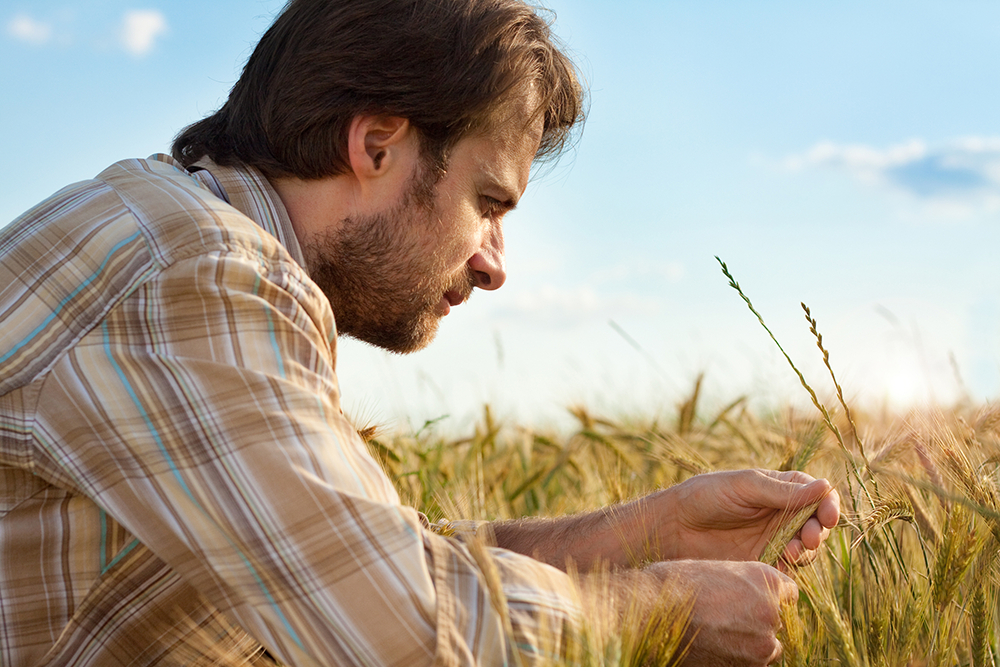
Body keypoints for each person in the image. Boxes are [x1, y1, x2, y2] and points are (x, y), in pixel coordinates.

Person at [0, 0, 840, 665]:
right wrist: (658, 610)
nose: (494, 264)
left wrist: (640, 538)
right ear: (375, 144)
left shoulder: (186, 239)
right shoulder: (193, 271)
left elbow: (355, 561)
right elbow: (401, 636)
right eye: (488, 203)